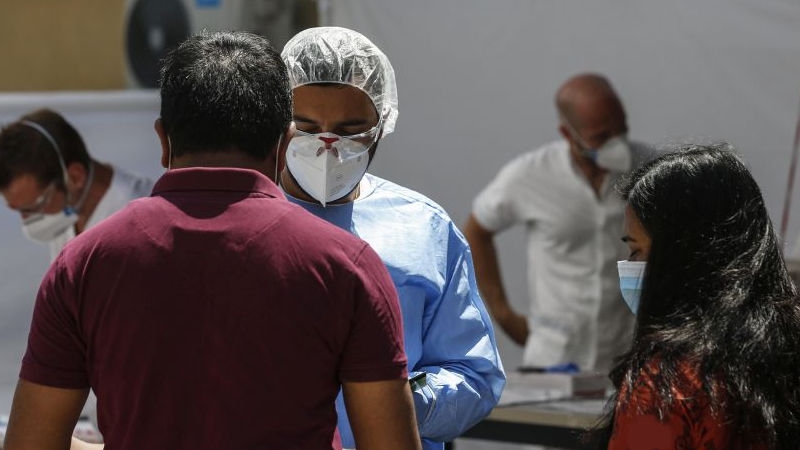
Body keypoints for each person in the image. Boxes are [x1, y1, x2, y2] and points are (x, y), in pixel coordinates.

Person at [3, 30, 421, 450]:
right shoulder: (348, 266)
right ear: (285, 146)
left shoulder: (83, 265)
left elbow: (30, 444)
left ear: (163, 141)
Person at [279, 27, 505, 450]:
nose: (328, 145)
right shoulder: (249, 222)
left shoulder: (422, 228)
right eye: (307, 127)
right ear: (277, 123)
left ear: (382, 124)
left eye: (350, 129)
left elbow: (474, 373)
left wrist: (397, 400)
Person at [595, 143, 800, 448]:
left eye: (636, 250)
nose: (630, 265)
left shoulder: (668, 382)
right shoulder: (784, 358)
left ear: (683, 256)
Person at [464, 73, 653, 373]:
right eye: (601, 137)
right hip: (554, 360)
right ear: (567, 134)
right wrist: (504, 315)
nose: (615, 144)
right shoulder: (531, 175)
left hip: (627, 358)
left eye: (621, 130)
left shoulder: (650, 169)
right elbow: (476, 231)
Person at [0, 108, 154, 260]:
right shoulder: (70, 208)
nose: (28, 219)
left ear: (75, 177)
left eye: (35, 206)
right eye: (18, 209)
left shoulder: (139, 226)